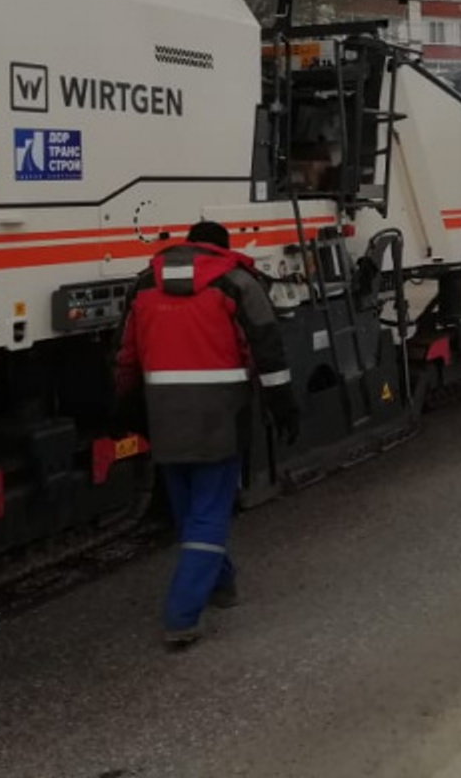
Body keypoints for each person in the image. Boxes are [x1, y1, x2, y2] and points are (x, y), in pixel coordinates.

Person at [115, 220, 301, 647]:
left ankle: (222, 584)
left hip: (162, 414)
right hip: (220, 415)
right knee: (210, 513)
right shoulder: (237, 283)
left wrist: (123, 405)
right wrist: (283, 407)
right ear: (221, 249)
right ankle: (182, 615)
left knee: (189, 511)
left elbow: (125, 354)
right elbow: (268, 351)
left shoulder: (144, 285)